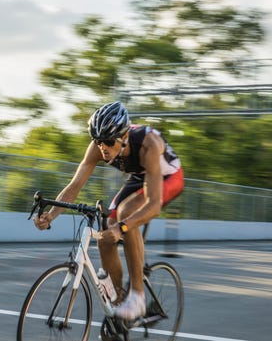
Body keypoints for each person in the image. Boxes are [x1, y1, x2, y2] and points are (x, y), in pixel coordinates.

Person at [33, 101, 184, 320]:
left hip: (168, 177)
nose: (102, 146)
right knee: (105, 236)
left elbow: (152, 207)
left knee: (125, 214)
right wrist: (51, 216)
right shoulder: (99, 147)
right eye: (97, 141)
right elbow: (74, 186)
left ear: (123, 138)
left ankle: (138, 297)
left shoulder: (148, 144)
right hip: (139, 177)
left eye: (107, 142)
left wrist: (123, 227)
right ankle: (118, 301)